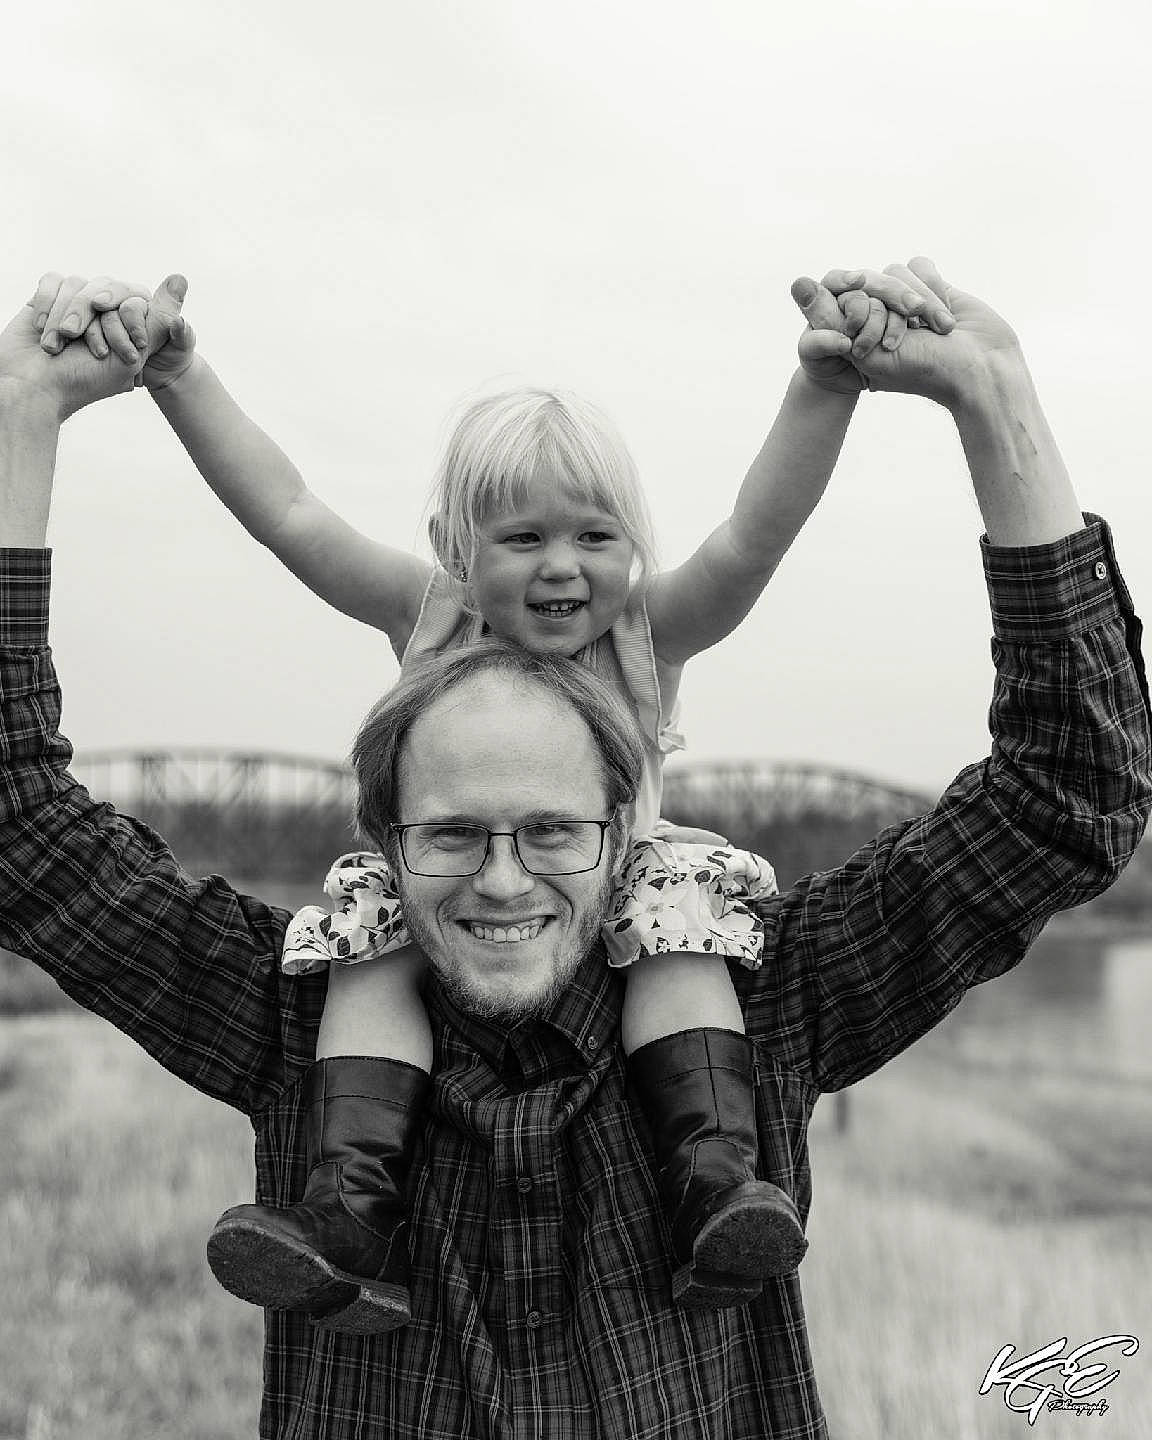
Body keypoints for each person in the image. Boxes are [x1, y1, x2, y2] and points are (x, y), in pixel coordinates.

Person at [0, 258, 1148, 1440]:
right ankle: (348, 1211)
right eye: (451, 833)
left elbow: (1057, 787)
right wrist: (67, 402)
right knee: (368, 959)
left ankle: (713, 1174)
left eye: (552, 829)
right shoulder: (301, 979)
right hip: (378, 964)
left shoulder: (771, 984)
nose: (503, 877)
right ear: (389, 820)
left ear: (615, 807)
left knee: (677, 941)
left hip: (667, 934)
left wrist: (915, 391)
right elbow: (281, 516)